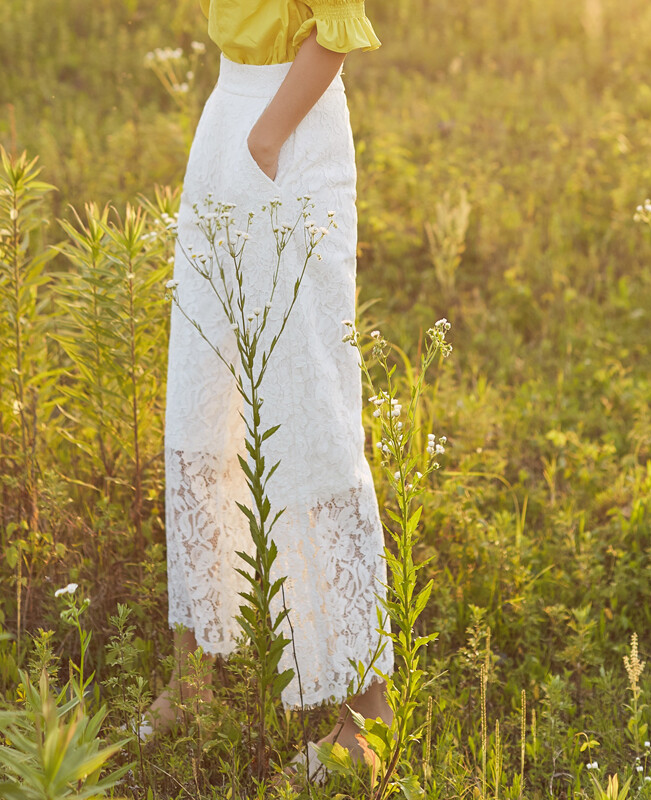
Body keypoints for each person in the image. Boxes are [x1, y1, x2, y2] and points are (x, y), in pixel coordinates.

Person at [145, 0, 395, 779]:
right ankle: (194, 677)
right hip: (230, 119)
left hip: (289, 128)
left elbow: (336, 29)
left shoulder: (279, 129)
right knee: (203, 389)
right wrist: (242, 130)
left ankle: (368, 720)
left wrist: (266, 135)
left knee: (308, 407)